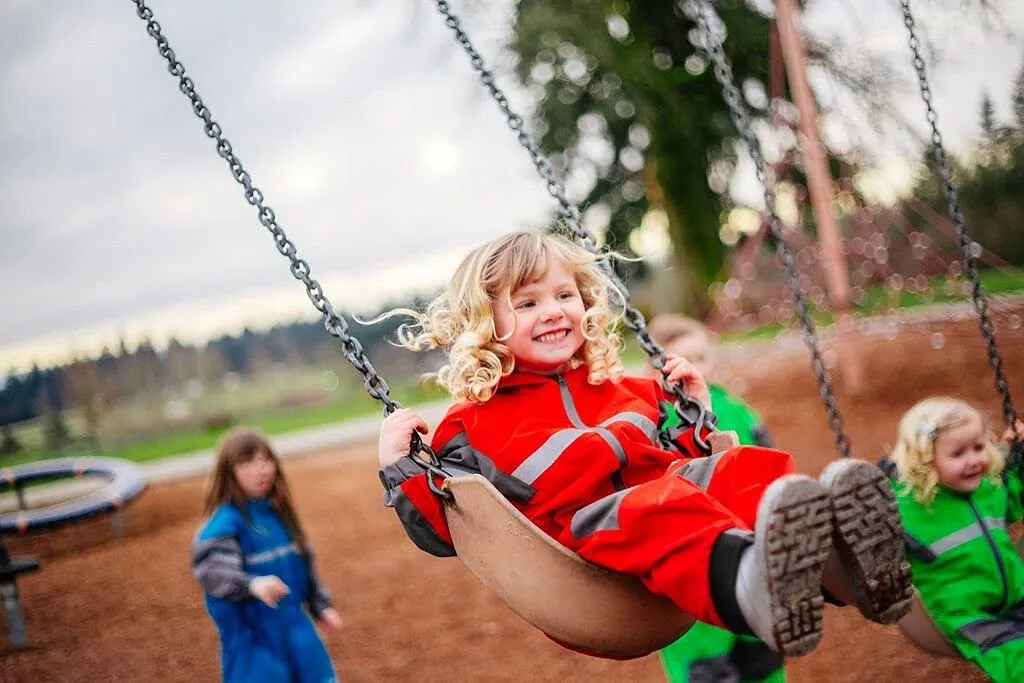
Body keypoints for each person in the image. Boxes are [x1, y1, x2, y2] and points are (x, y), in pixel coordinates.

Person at [376, 230, 912, 658]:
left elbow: (689, 456)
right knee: (659, 504)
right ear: (486, 322)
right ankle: (754, 589)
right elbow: (449, 528)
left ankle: (845, 568)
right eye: (528, 302)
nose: (555, 311)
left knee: (740, 468)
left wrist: (693, 411)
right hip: (582, 552)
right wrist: (399, 467)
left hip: (665, 498)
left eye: (565, 295)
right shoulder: (472, 422)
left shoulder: (631, 390)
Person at [645, 314, 783, 682]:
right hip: (690, 564)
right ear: (656, 367)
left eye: (703, 357)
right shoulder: (651, 419)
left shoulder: (736, 410)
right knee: (706, 669)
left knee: (763, 656)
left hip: (750, 549)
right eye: (685, 360)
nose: (698, 367)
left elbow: (771, 462)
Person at [880, 397, 1024, 682]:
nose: (973, 460)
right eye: (958, 454)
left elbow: (1015, 499)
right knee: (1016, 658)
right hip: (966, 615)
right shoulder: (912, 506)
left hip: (1016, 596)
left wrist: (1019, 456)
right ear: (923, 461)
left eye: (979, 447)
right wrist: (877, 489)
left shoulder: (989, 487)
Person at [192, 428, 342, 683]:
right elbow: (214, 573)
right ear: (229, 473)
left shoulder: (278, 516)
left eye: (265, 460)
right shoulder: (223, 525)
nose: (261, 469)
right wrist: (251, 584)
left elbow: (302, 562)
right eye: (248, 462)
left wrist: (319, 604)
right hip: (254, 645)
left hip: (299, 635)